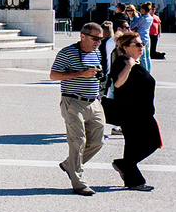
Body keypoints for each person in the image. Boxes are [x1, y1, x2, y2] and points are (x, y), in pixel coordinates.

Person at [50, 23, 107, 196]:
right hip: (73, 102)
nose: (98, 42)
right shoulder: (67, 52)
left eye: (101, 39)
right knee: (77, 141)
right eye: (95, 38)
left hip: (94, 102)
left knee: (98, 141)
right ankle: (78, 182)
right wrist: (81, 73)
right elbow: (54, 75)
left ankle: (69, 164)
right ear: (83, 36)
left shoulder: (96, 52)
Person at [108, 31, 160, 191]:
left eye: (142, 44)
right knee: (153, 142)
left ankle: (132, 178)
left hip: (141, 113)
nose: (141, 47)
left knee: (132, 147)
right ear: (124, 47)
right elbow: (117, 84)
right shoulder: (122, 62)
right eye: (137, 44)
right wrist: (129, 67)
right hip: (132, 114)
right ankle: (126, 168)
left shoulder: (135, 62)